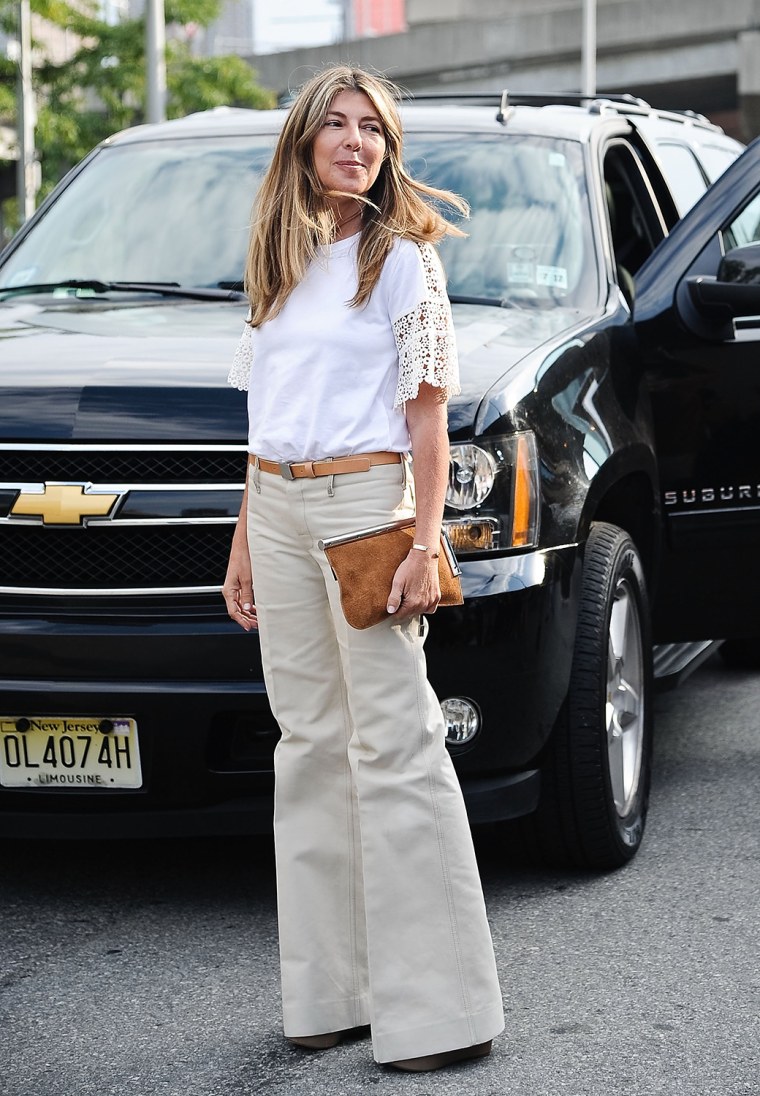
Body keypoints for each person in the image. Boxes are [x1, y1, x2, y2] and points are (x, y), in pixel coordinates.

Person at [222, 64, 504, 1073]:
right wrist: (247, 531)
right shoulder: (280, 259)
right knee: (306, 745)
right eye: (335, 126)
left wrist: (426, 540)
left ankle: (440, 1012)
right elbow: (265, 414)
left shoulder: (399, 261)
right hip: (282, 502)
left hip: (366, 507)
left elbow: (429, 421)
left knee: (395, 742)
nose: (355, 142)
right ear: (301, 143)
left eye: (372, 129)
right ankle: (330, 994)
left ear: (387, 151)